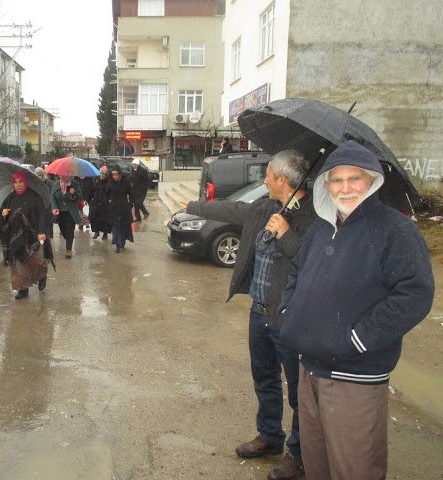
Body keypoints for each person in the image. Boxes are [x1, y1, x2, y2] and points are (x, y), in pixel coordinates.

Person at [279, 140, 435, 480]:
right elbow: (296, 273)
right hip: (310, 370)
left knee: (354, 468)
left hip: (354, 377)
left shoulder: (396, 229)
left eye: (355, 179)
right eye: (337, 180)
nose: (345, 188)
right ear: (326, 184)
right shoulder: (321, 228)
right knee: (316, 463)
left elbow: (415, 293)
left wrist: (357, 340)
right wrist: (289, 313)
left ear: (372, 181)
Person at [186, 149, 316, 480]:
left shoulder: (314, 217)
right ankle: (270, 437)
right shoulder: (267, 207)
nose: (264, 180)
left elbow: (313, 264)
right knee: (265, 379)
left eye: (268, 175)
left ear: (283, 179)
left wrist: (287, 233)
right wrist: (191, 207)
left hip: (290, 317)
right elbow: (235, 209)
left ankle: (299, 455)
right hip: (258, 312)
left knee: (299, 391)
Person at [0, 171, 51, 300]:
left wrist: (41, 232)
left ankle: (41, 276)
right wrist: (3, 214)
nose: (18, 185)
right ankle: (22, 289)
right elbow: (2, 218)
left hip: (32, 235)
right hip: (15, 237)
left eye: (20, 182)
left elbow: (42, 216)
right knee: (18, 263)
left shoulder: (35, 197)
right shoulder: (10, 198)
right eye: (15, 182)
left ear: (25, 182)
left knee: (35, 260)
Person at [50, 175, 82, 258]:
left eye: (65, 174)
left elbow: (79, 196)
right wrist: (54, 207)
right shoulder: (56, 184)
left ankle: (68, 249)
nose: (63, 176)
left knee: (70, 229)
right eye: (61, 175)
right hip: (60, 211)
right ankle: (68, 239)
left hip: (71, 211)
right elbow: (52, 197)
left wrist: (73, 193)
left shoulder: (75, 183)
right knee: (63, 230)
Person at [106, 164, 134, 253]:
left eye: (117, 174)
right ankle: (117, 244)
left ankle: (122, 241)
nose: (115, 176)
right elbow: (106, 194)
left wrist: (130, 204)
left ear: (120, 174)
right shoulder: (110, 182)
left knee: (124, 226)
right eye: (113, 175)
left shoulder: (126, 181)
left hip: (124, 208)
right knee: (116, 227)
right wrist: (108, 204)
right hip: (113, 208)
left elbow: (131, 193)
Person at [88, 166, 111, 240]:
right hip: (95, 201)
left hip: (104, 203)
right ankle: (96, 232)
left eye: (104, 173)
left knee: (104, 219)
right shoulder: (96, 179)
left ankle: (105, 233)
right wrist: (87, 199)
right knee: (93, 217)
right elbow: (92, 190)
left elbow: (110, 192)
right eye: (101, 173)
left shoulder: (108, 181)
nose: (102, 175)